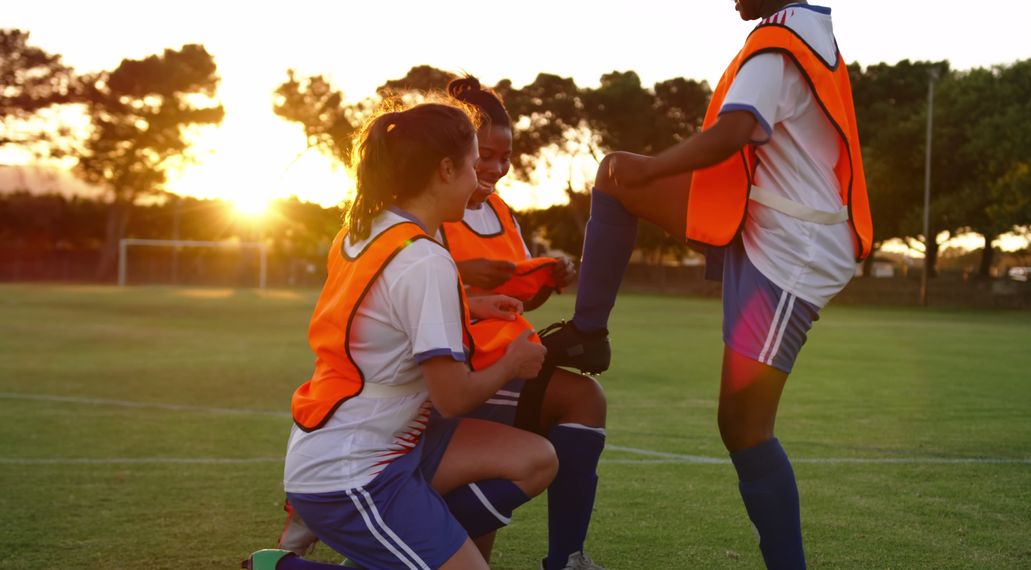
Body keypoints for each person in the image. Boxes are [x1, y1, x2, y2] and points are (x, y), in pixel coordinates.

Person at [540, 2, 872, 568]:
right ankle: (588, 333)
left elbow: (736, 129)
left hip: (792, 250)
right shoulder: (793, 34)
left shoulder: (780, 45)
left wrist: (657, 168)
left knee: (742, 425)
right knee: (615, 176)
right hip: (760, 221)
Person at [246, 100, 557, 570]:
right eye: (474, 166)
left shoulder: (366, 229)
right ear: (446, 169)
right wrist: (513, 364)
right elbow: (452, 399)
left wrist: (466, 305)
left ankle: (410, 546)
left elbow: (376, 310)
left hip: (378, 444)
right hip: (355, 471)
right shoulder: (424, 259)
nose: (480, 182)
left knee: (536, 459)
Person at [440, 76, 608, 570]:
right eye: (484, 155)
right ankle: (395, 545)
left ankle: (567, 559)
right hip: (459, 373)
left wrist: (545, 279)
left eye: (504, 155)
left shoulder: (501, 212)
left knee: (584, 397)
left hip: (509, 363)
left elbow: (515, 298)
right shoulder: (427, 210)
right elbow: (400, 290)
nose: (496, 167)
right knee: (474, 540)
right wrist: (464, 281)